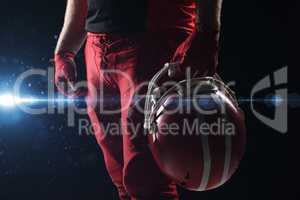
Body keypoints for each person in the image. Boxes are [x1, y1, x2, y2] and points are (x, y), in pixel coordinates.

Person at [54, 0, 223, 199]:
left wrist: (207, 32)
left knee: (148, 180)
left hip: (153, 41)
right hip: (97, 47)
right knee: (121, 175)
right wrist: (64, 51)